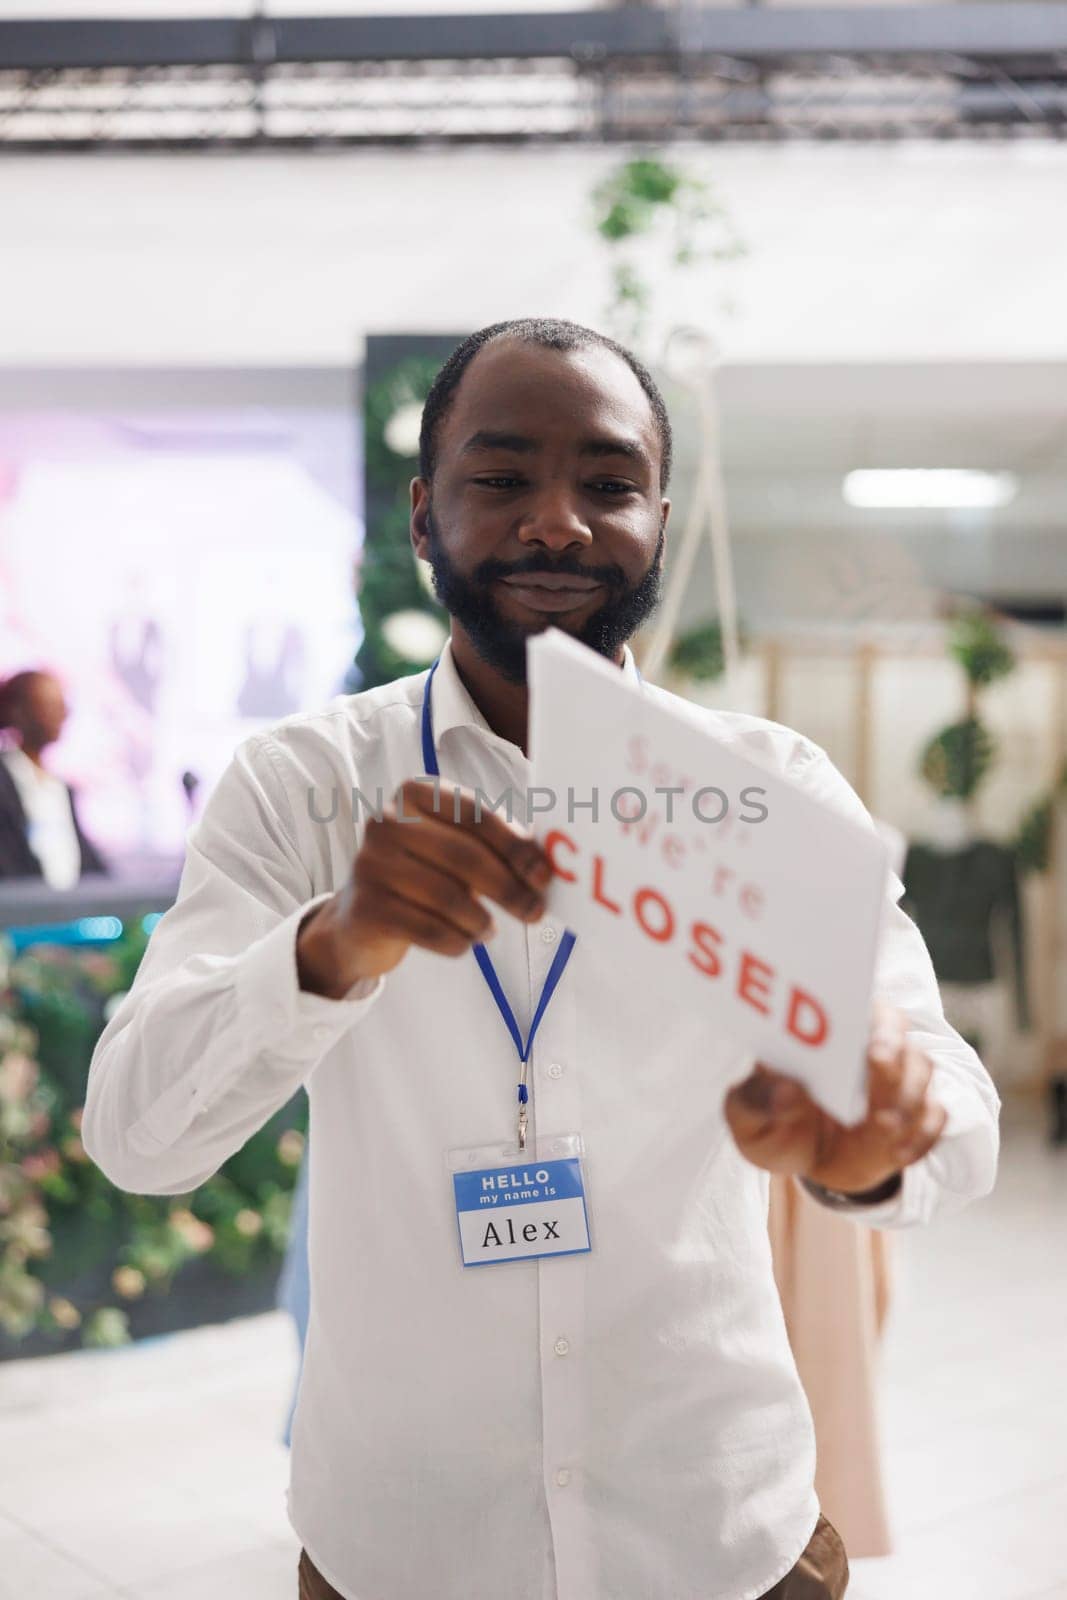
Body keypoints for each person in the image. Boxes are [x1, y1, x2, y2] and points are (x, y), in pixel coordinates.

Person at [81, 318, 999, 1600]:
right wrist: (328, 945)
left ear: (659, 520)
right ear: (422, 512)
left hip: (720, 1536)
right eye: (501, 476)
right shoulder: (303, 789)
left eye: (608, 483)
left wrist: (872, 1148)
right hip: (401, 1549)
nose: (557, 523)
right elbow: (137, 1136)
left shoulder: (760, 790)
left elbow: (948, 1106)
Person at [0, 669, 108, 886]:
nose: (63, 714)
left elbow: (89, 865)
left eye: (62, 705)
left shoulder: (60, 789)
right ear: (18, 711)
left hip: (68, 912)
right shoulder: (5, 782)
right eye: (49, 705)